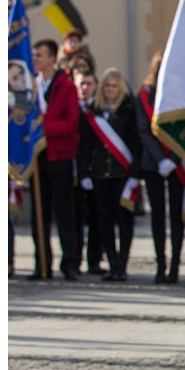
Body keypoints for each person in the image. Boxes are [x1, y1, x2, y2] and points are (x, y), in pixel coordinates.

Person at [78, 67, 140, 282]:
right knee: (104, 221)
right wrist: (84, 172)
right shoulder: (93, 112)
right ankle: (112, 262)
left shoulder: (129, 110)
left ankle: (122, 263)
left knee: (124, 221)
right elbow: (85, 145)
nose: (111, 90)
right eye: (107, 86)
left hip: (123, 175)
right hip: (99, 174)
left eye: (115, 86)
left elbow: (135, 143)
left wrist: (135, 174)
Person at [29, 39, 81, 280]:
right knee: (39, 214)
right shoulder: (30, 86)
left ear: (51, 58)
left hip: (59, 157)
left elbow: (71, 124)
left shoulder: (66, 86)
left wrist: (43, 127)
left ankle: (70, 262)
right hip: (37, 159)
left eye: (40, 55)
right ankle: (42, 263)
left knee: (64, 214)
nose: (35, 58)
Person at [136, 52, 185, 284]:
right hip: (153, 164)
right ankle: (161, 264)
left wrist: (175, 159)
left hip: (177, 164)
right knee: (157, 215)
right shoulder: (145, 96)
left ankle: (175, 266)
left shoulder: (184, 96)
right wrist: (160, 160)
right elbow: (143, 131)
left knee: (177, 216)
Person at [73, 70, 104, 275]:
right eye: (81, 84)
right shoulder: (74, 108)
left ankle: (94, 260)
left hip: (96, 171)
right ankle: (74, 260)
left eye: (89, 84)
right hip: (75, 171)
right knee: (75, 218)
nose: (85, 88)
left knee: (97, 219)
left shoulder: (99, 110)